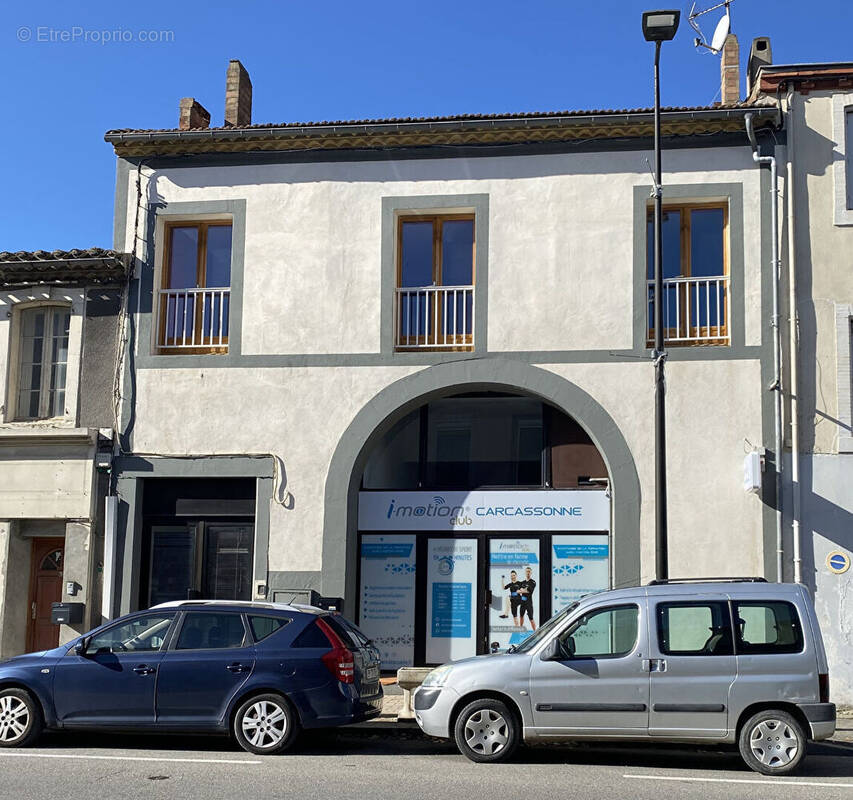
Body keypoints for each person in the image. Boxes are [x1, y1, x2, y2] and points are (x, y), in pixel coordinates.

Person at [518, 566, 537, 630]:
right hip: (523, 602)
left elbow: (529, 591)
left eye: (529, 571)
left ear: (531, 573)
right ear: (525, 573)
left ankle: (535, 632)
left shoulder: (533, 582)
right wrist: (523, 590)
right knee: (521, 616)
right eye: (527, 571)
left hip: (529, 602)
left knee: (531, 618)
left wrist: (523, 590)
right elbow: (518, 591)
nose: (528, 573)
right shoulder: (522, 582)